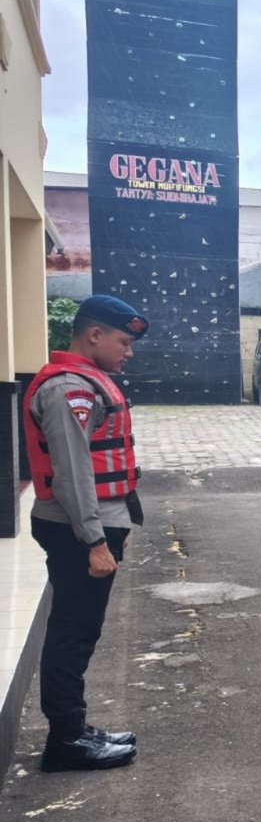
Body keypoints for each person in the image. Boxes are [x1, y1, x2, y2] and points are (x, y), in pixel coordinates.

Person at [21, 295, 150, 772]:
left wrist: (113, 529)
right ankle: (66, 740)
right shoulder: (69, 389)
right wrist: (95, 541)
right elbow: (73, 475)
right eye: (123, 342)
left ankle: (74, 727)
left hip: (89, 526)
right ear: (94, 335)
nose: (128, 353)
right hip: (76, 531)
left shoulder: (83, 383)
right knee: (73, 633)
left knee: (80, 630)